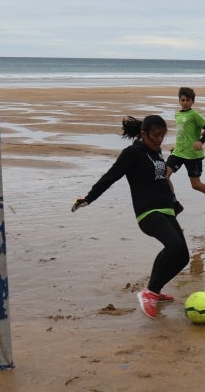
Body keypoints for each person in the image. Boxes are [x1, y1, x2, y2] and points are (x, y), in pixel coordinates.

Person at [72, 115, 189, 319]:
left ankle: (155, 290)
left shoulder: (157, 152)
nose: (159, 140)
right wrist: (89, 198)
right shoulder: (132, 153)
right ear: (144, 134)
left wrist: (175, 202)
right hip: (148, 212)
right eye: (155, 136)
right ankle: (149, 293)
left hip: (166, 209)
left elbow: (162, 181)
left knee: (183, 256)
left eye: (162, 136)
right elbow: (111, 176)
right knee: (174, 247)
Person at [166, 87, 205, 217]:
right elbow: (182, 133)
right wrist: (176, 146)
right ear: (179, 101)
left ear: (193, 101)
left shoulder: (194, 115)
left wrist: (201, 141)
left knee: (196, 185)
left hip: (193, 155)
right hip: (178, 152)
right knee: (163, 176)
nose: (185, 102)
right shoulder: (177, 114)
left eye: (188, 100)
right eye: (183, 100)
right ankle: (175, 204)